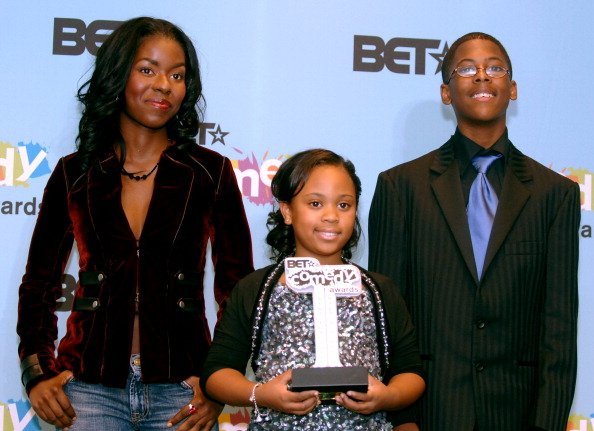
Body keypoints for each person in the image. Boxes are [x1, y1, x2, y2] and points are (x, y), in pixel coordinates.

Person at [16, 17, 254, 431]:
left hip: (185, 389)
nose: (163, 85)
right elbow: (39, 283)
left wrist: (220, 382)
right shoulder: (76, 172)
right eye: (148, 69)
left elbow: (237, 288)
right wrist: (36, 373)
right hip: (88, 389)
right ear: (118, 74)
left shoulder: (209, 171)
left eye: (177, 75)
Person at [368, 32, 580, 431]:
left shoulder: (556, 195)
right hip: (429, 410)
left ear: (512, 88)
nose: (482, 76)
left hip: (517, 414)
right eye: (466, 68)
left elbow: (559, 328)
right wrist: (401, 420)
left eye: (495, 67)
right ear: (446, 93)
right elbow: (388, 319)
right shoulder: (401, 187)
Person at [200, 148, 425, 430]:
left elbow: (411, 373)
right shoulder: (255, 289)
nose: (331, 216)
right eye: (316, 204)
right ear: (287, 211)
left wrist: (387, 397)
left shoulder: (379, 290)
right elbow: (217, 373)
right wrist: (261, 394)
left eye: (344, 205)